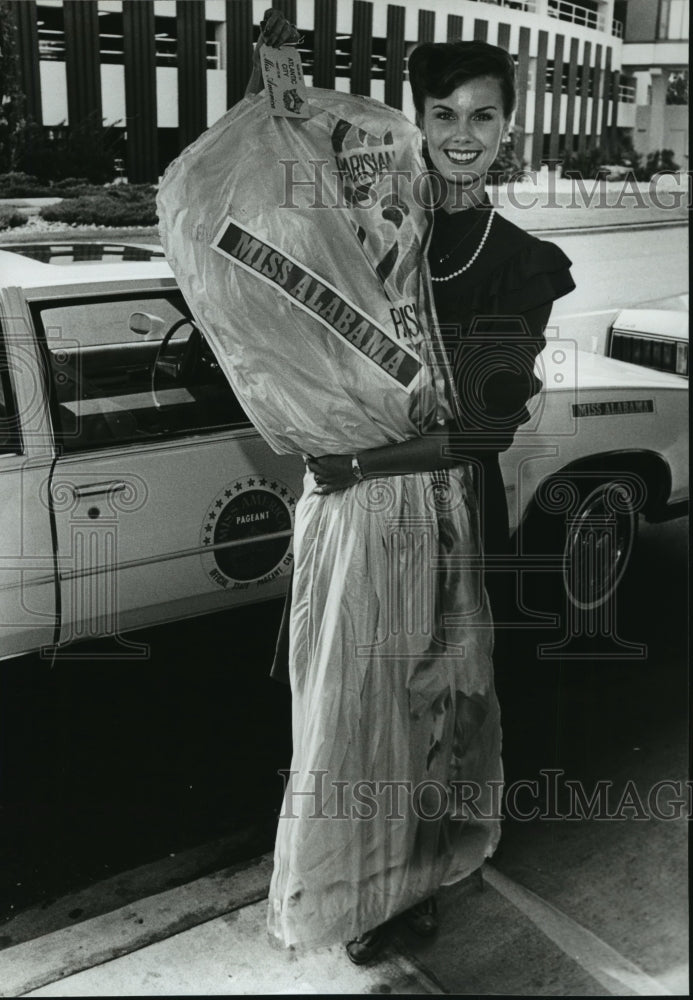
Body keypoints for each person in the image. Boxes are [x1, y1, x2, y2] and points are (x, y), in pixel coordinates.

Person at [248, 11, 575, 963]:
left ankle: (409, 885)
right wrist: (280, 105)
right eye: (443, 116)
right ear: (417, 123)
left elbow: (485, 418)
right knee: (355, 704)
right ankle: (354, 868)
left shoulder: (523, 262)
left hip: (452, 509)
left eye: (483, 116)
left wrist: (356, 450)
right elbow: (282, 271)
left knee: (434, 704)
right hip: (353, 508)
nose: (462, 137)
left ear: (509, 125)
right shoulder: (370, 231)